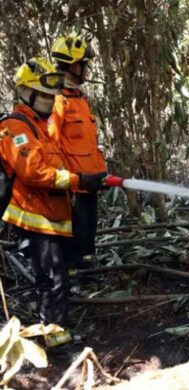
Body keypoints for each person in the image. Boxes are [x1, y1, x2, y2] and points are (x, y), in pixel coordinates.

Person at [0, 57, 106, 346]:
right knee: (52, 279)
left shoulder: (40, 126)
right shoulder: (14, 128)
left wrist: (86, 179)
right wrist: (78, 181)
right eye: (44, 95)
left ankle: (56, 333)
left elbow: (59, 164)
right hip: (35, 219)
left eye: (51, 95)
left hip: (52, 217)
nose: (49, 100)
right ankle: (56, 340)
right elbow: (34, 172)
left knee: (57, 276)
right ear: (26, 92)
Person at [48, 35, 107, 270]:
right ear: (73, 65)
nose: (86, 70)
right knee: (75, 238)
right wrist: (67, 183)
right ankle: (72, 279)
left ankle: (87, 270)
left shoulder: (79, 99)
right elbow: (52, 145)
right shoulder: (57, 100)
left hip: (90, 183)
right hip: (73, 186)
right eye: (84, 64)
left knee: (87, 236)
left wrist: (100, 175)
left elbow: (87, 145)